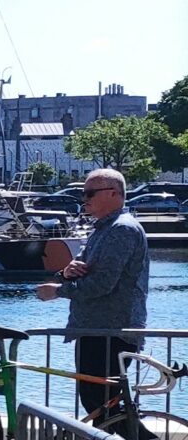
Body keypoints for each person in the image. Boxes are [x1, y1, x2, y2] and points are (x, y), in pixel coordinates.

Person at [39, 167, 150, 416]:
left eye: (90, 193)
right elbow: (78, 270)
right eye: (83, 193)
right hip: (96, 330)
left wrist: (58, 291)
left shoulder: (122, 230)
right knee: (100, 407)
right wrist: (67, 273)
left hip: (111, 331)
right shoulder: (102, 229)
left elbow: (102, 284)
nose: (84, 199)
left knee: (103, 408)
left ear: (113, 194)